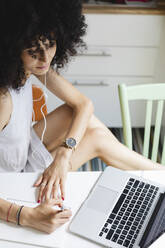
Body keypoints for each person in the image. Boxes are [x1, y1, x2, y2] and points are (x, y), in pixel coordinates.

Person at [0, 0, 164, 234]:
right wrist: (25, 216)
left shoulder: (32, 68)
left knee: (79, 116)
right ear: (11, 47)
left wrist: (65, 155)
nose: (45, 59)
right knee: (96, 138)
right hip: (12, 182)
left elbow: (84, 105)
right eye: (33, 52)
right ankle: (159, 174)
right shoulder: (3, 99)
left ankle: (157, 173)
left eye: (50, 44)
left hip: (21, 154)